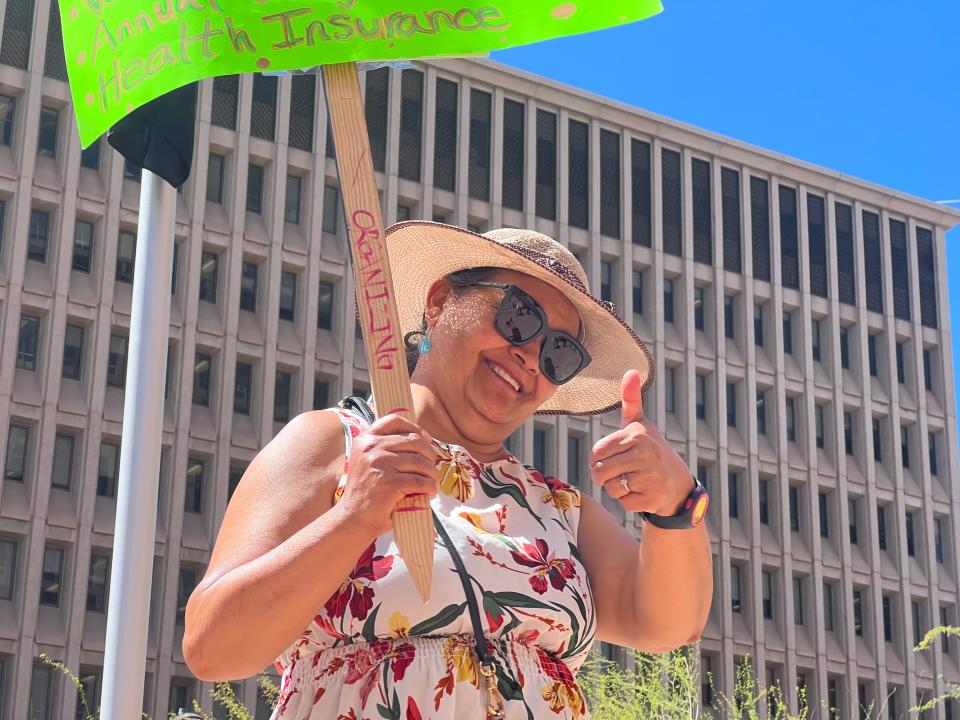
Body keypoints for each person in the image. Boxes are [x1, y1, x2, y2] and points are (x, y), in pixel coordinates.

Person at [183, 223, 713, 719]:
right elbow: (213, 647)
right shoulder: (334, 441)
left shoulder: (560, 512)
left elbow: (671, 623)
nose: (530, 353)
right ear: (439, 303)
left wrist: (675, 505)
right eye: (517, 315)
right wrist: (355, 516)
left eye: (560, 352)